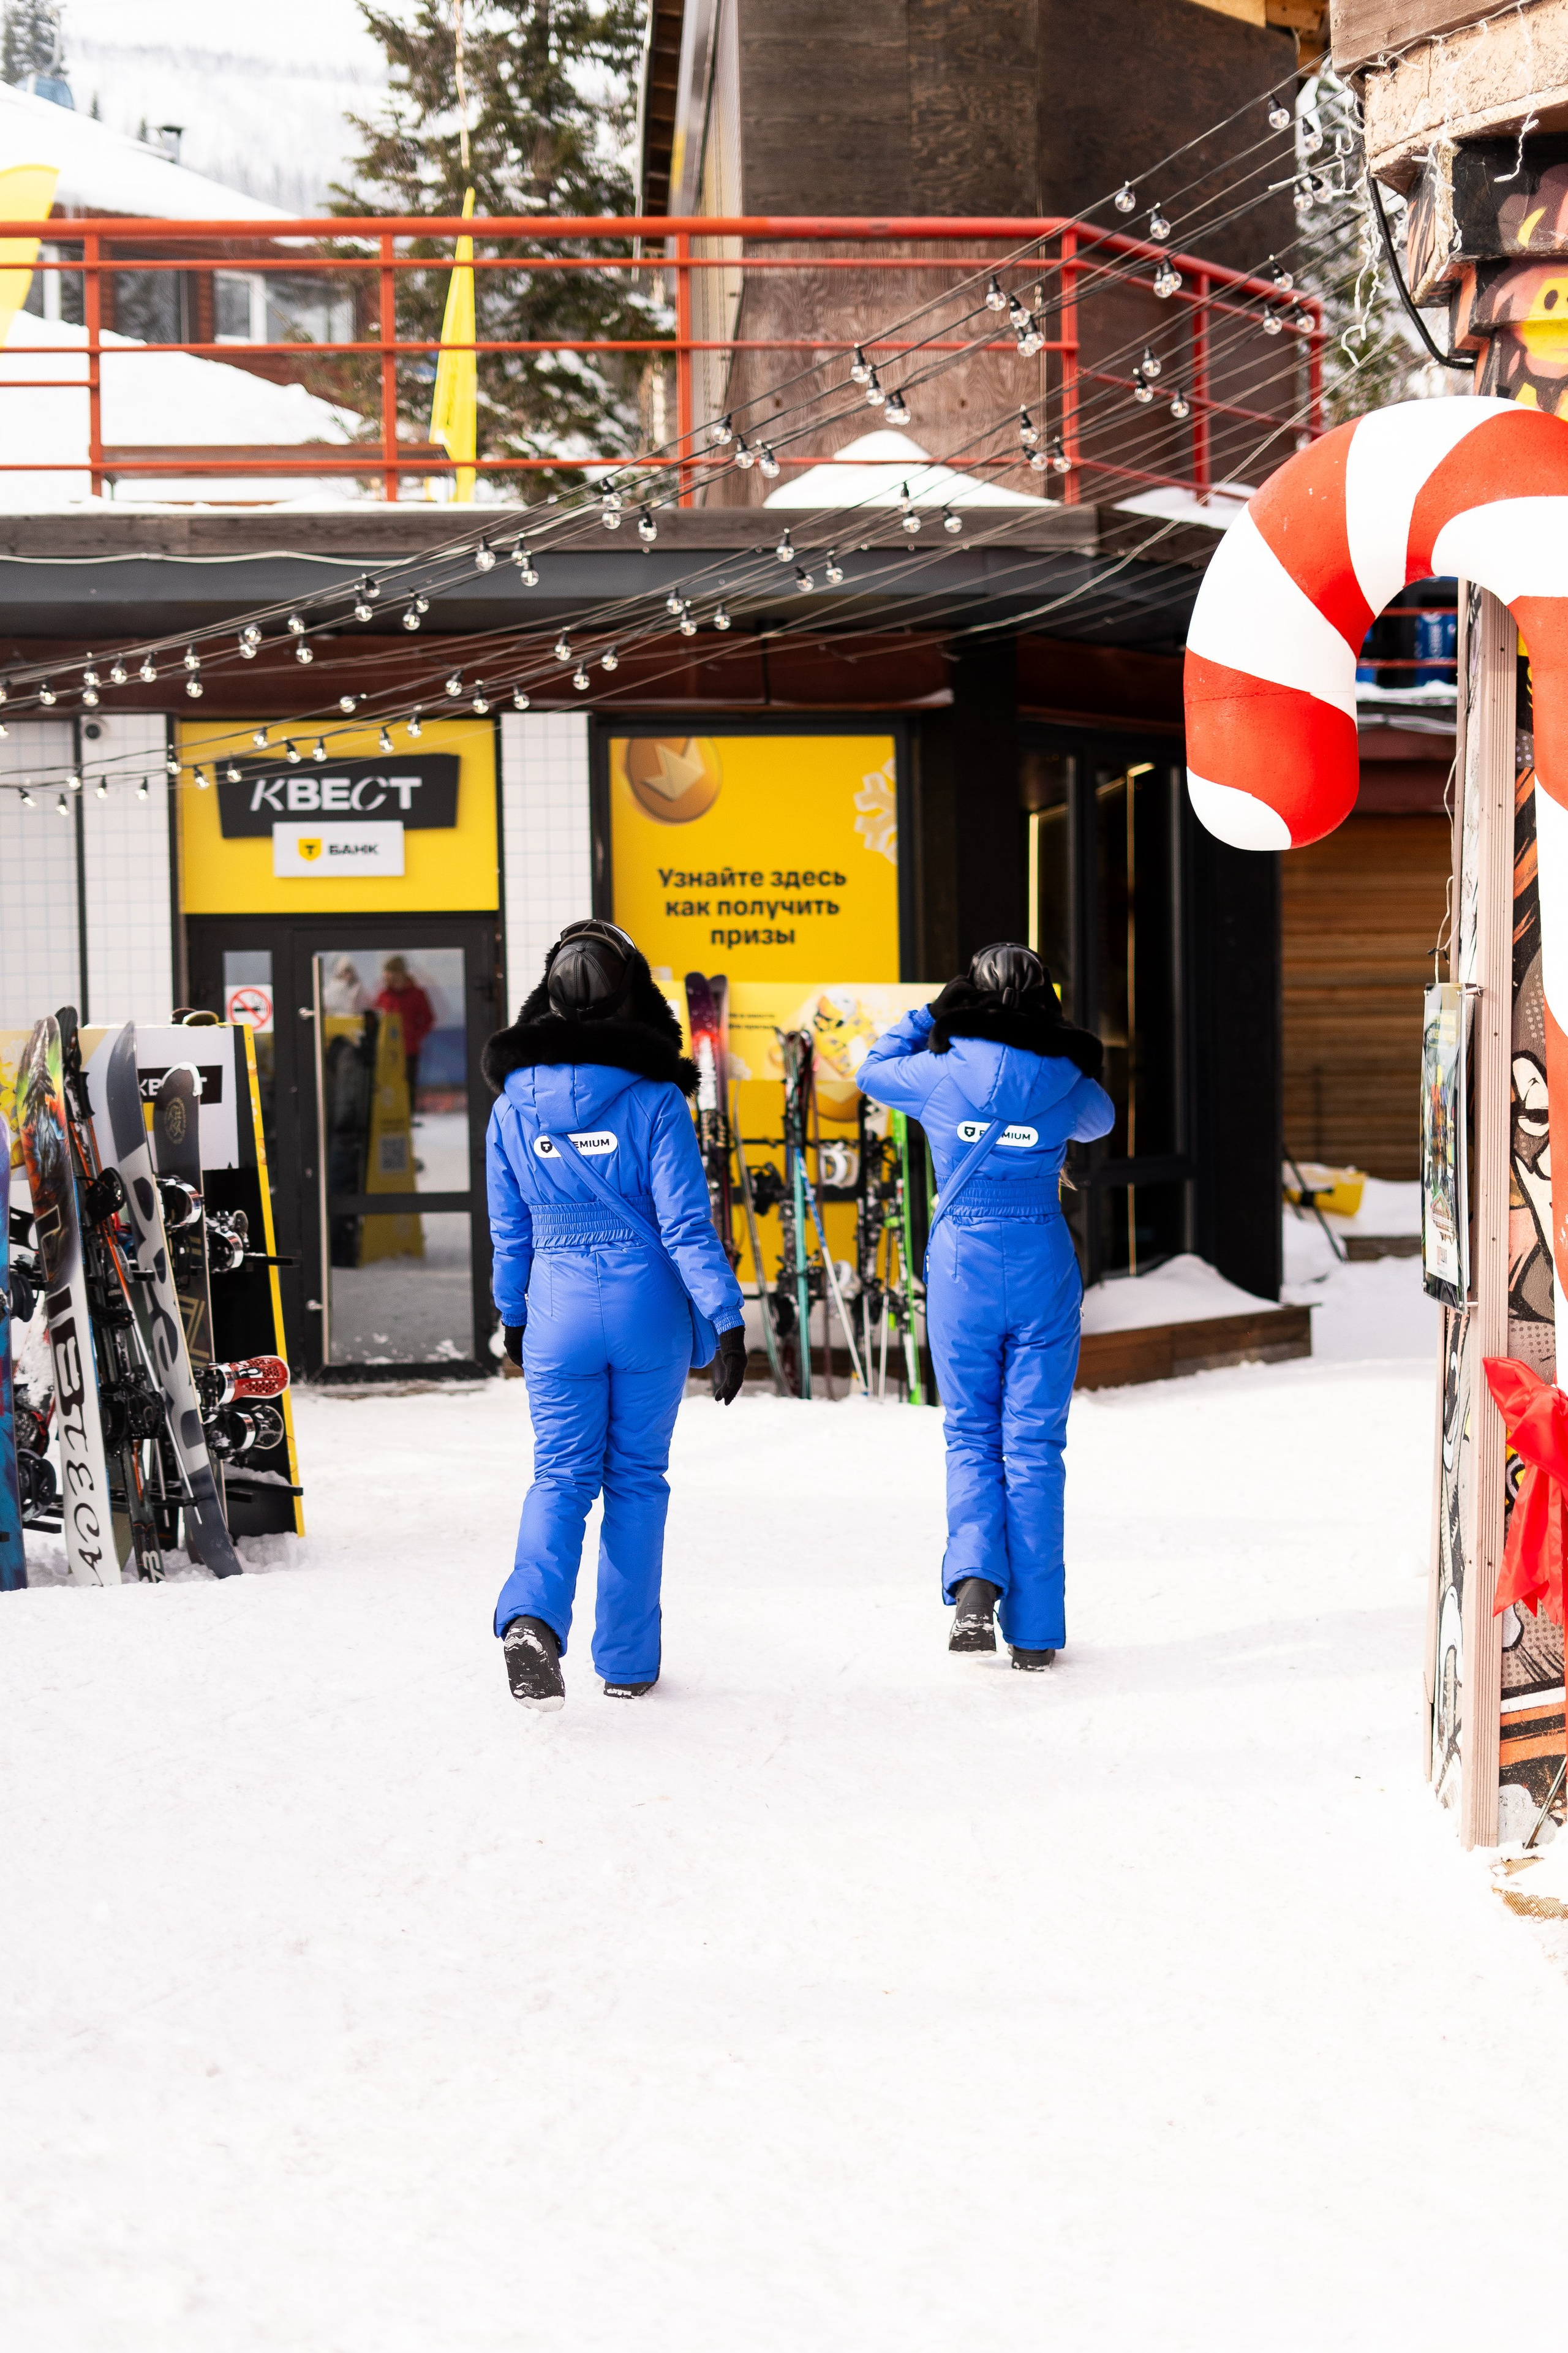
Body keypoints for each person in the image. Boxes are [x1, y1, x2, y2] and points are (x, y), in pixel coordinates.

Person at [483, 920, 747, 1710]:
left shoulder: (510, 1108)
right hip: (646, 1310)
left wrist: (513, 1315)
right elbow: (687, 1226)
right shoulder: (656, 1098)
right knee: (635, 1480)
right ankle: (628, 1661)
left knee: (559, 1475)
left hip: (554, 1308)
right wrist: (727, 1319)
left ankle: (531, 1618)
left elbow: (508, 1231)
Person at [856, 944, 1113, 1669]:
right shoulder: (1067, 1082)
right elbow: (1100, 1119)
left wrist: (929, 1013)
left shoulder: (937, 1073)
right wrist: (1053, 1045)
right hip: (1041, 1261)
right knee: (1034, 1444)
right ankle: (1035, 1633)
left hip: (961, 1265)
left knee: (970, 1431)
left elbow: (871, 1068)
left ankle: (974, 1581)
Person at [376, 953, 435, 1109]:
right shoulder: (384, 995)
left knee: (408, 1084)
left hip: (409, 1049)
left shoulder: (417, 994)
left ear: (399, 974)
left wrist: (415, 1036)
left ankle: (408, 1115)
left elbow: (428, 1019)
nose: (386, 977)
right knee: (389, 1085)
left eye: (389, 973)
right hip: (387, 1051)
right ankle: (391, 1114)